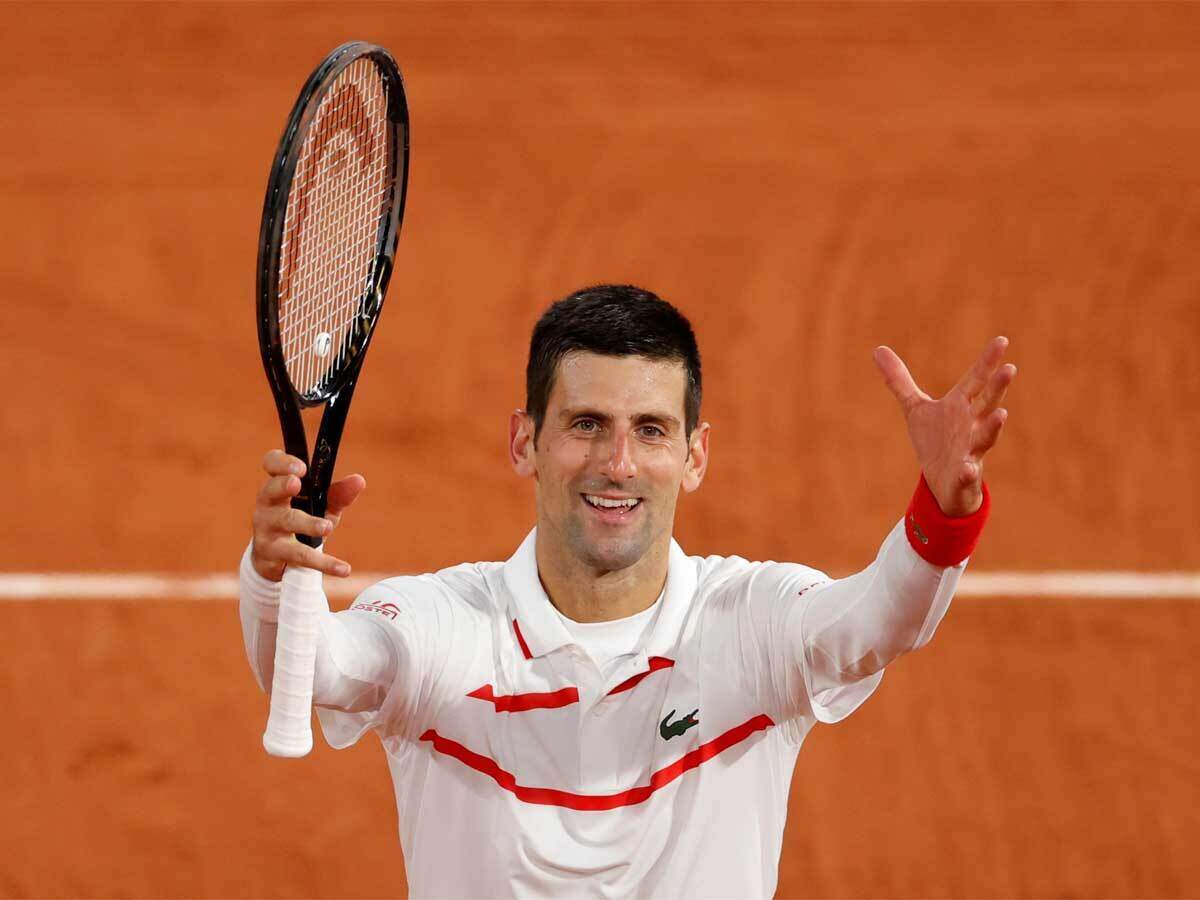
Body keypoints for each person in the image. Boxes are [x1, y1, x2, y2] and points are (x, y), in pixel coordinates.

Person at [240, 284, 1016, 899]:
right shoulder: (441, 624)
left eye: (650, 429)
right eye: (586, 424)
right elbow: (315, 668)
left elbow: (878, 621)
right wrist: (275, 577)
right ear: (524, 442)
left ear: (694, 455)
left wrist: (943, 510)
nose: (618, 464)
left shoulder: (750, 622)